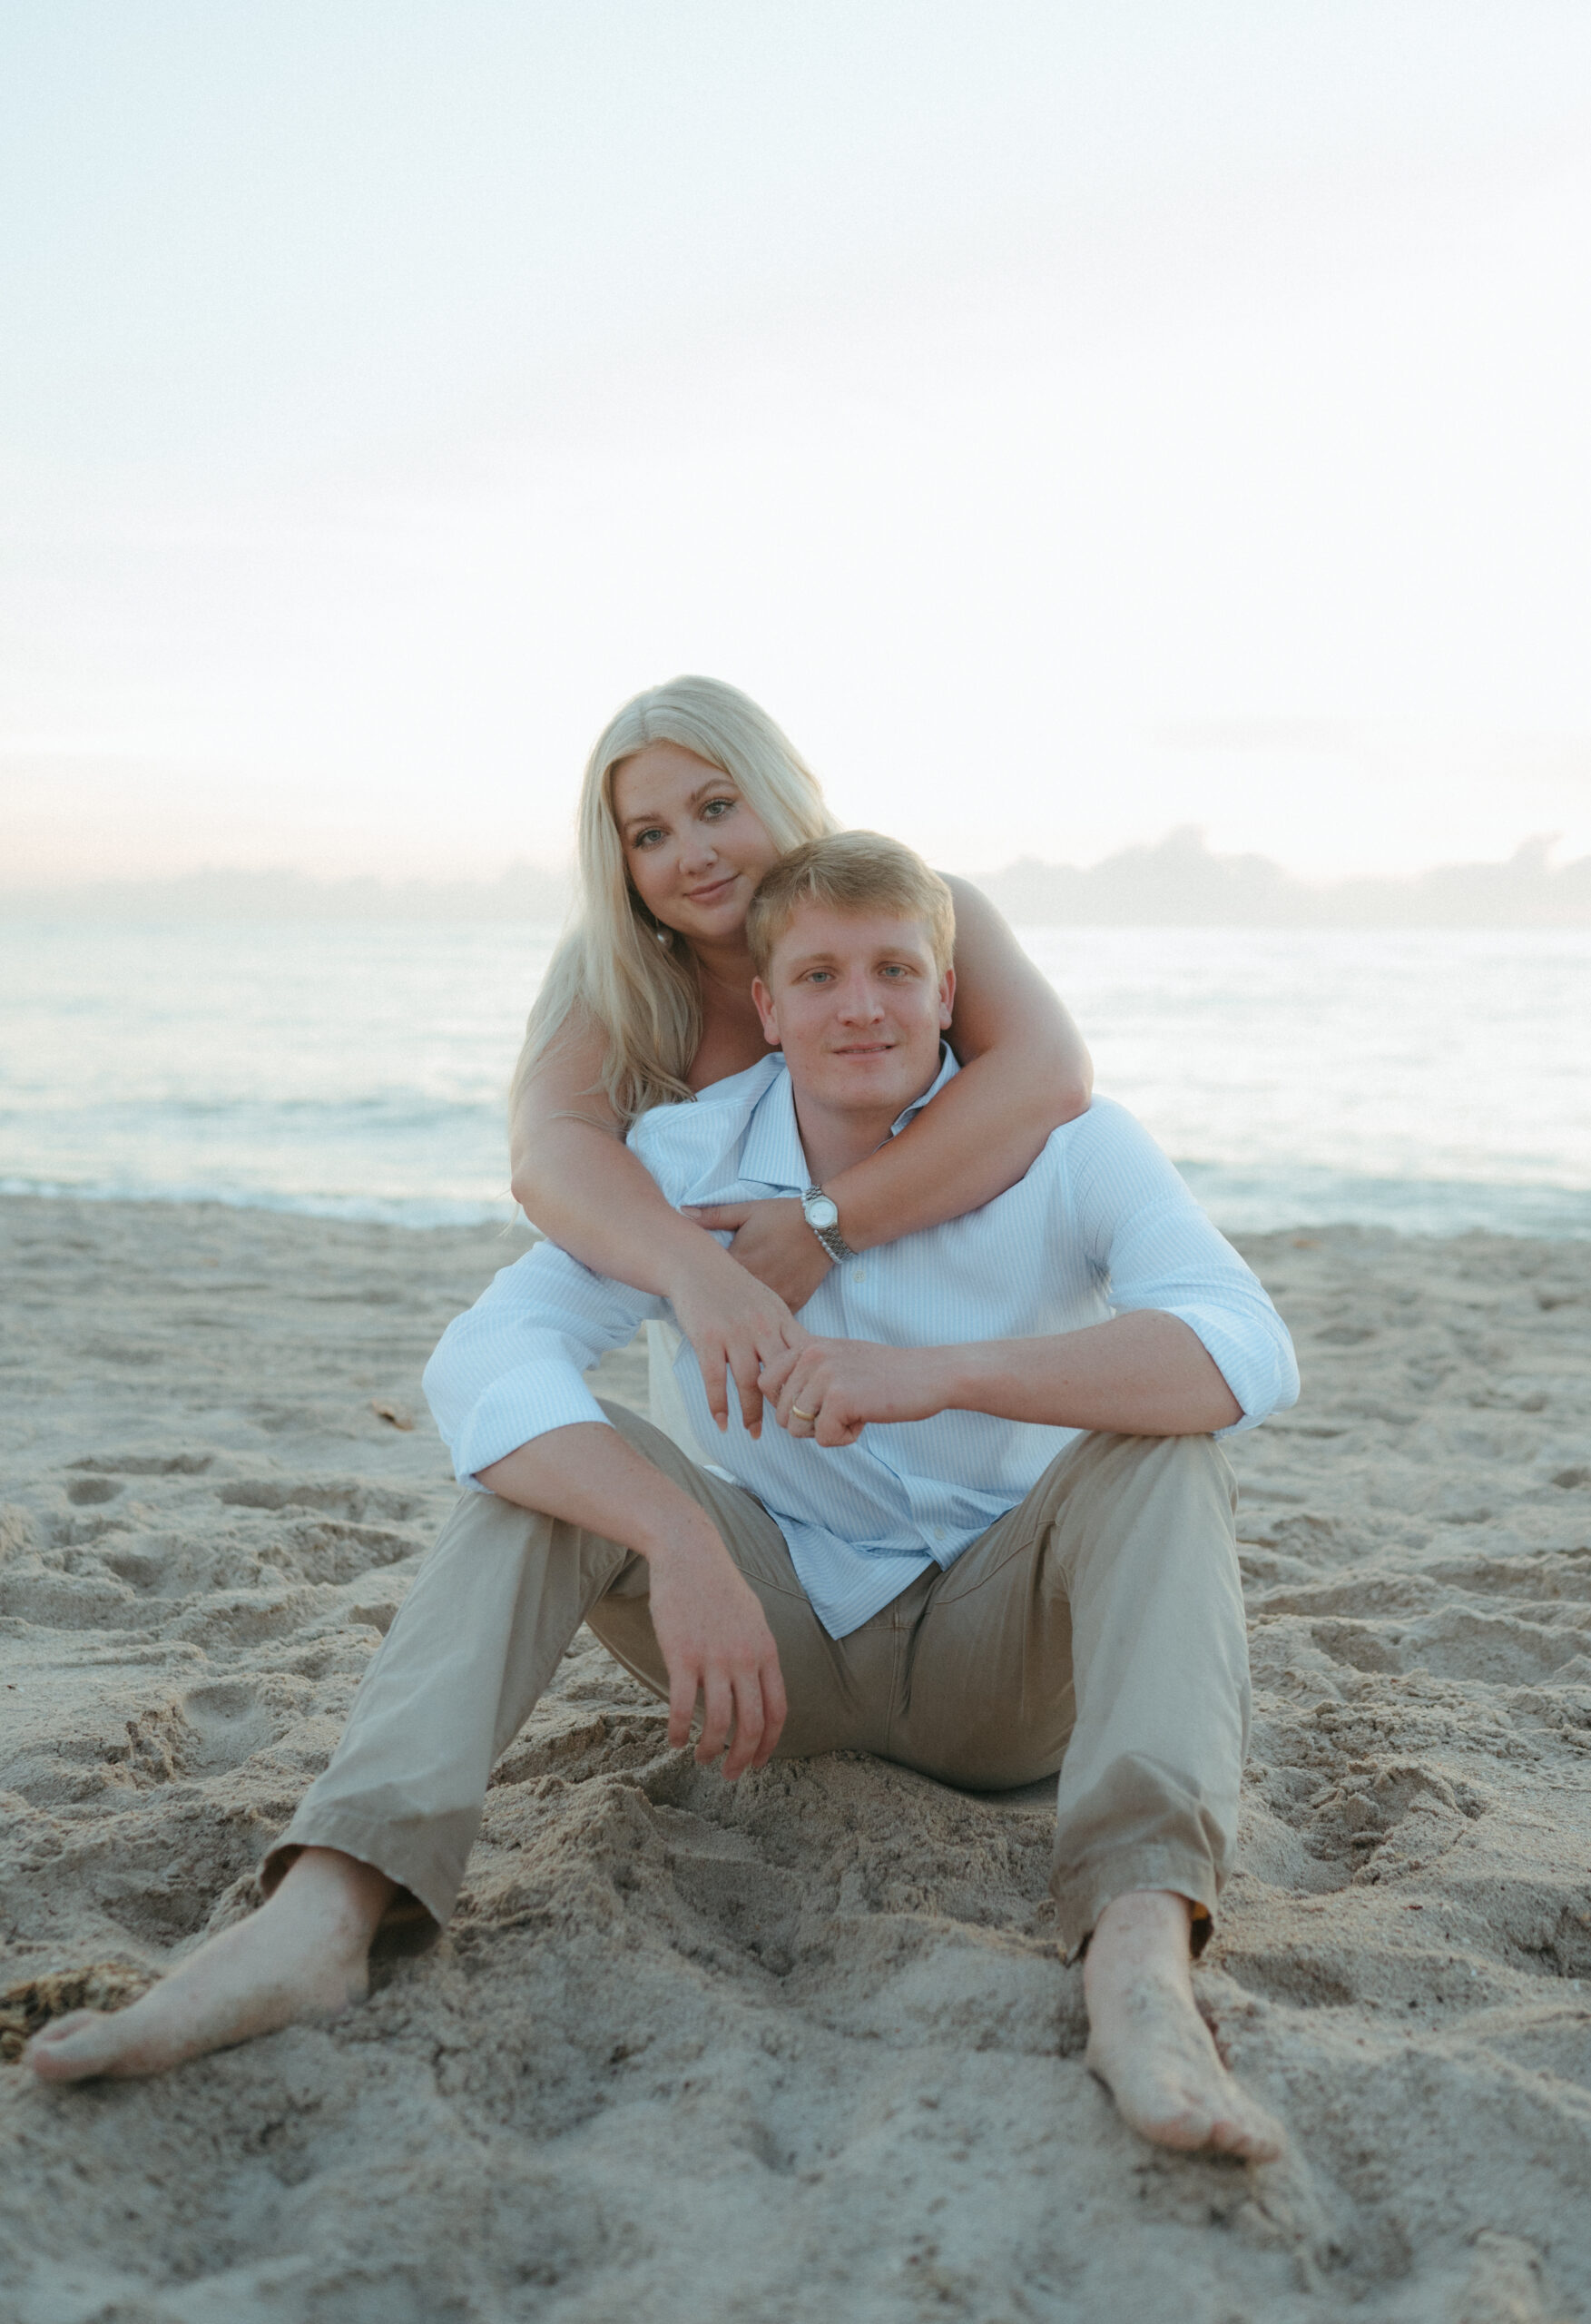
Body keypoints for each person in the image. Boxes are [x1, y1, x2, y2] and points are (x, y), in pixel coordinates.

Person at [27, 832, 1298, 2165]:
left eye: (891, 971)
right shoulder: (686, 1160)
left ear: (944, 992)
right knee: (559, 1467)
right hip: (773, 1647)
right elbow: (485, 1363)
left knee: (1165, 1450)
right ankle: (329, 1909)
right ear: (765, 1004)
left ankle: (1140, 1950)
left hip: (1008, 1665)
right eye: (816, 975)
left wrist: (940, 1375)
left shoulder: (1072, 1148)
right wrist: (676, 1534)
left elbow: (1243, 1345)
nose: (857, 1004)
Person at [504, 675, 1094, 1442]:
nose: (693, 855)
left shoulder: (918, 912)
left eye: (716, 807)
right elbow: (548, 1154)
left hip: (957, 1407)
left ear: (777, 788)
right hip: (753, 1429)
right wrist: (698, 1272)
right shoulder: (615, 981)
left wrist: (827, 1224)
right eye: (649, 836)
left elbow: (1047, 1074)